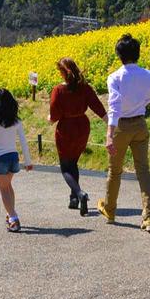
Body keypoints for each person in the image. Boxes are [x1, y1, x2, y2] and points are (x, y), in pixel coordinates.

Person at [97, 34, 150, 233]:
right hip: (140, 125)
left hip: (121, 127)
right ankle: (148, 218)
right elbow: (149, 97)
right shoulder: (147, 74)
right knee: (143, 170)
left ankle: (110, 210)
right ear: (137, 53)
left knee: (115, 171)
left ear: (119, 55)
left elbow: (114, 107)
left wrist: (109, 134)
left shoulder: (114, 77)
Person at [48, 57, 106, 216]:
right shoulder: (85, 87)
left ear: (62, 72)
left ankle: (80, 194)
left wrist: (50, 119)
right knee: (73, 162)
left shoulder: (58, 90)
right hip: (82, 127)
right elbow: (97, 105)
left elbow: (54, 115)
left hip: (66, 128)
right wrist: (108, 121)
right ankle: (73, 199)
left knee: (66, 167)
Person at [0, 88, 34, 232]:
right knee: (9, 187)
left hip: (0, 159)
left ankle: (13, 218)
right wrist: (28, 162)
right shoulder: (16, 121)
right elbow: (23, 142)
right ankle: (10, 214)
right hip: (13, 158)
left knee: (3, 189)